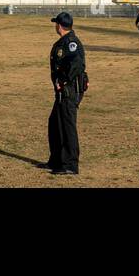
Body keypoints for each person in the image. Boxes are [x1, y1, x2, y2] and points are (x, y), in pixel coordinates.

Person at [45, 11, 86, 176]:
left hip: (69, 91)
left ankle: (70, 164)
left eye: (56, 23)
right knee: (55, 124)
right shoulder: (64, 42)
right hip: (62, 92)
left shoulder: (71, 43)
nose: (55, 26)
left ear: (59, 25)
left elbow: (76, 64)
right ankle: (56, 160)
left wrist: (63, 81)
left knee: (67, 127)